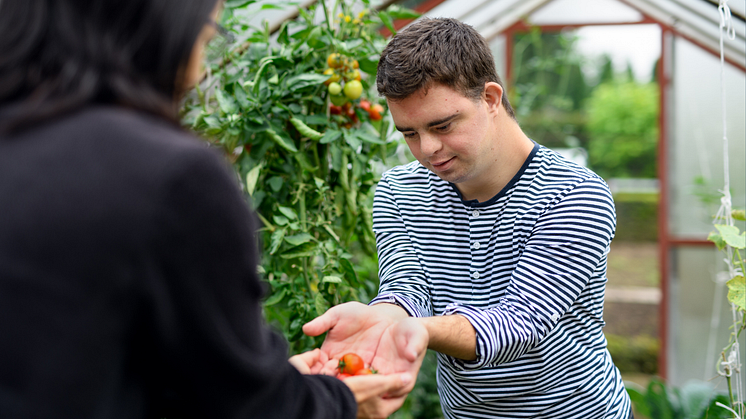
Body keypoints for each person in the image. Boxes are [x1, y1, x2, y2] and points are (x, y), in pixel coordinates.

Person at [0, 1, 419, 418]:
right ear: (160, 32)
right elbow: (253, 411)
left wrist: (253, 378)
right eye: (204, 37)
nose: (199, 70)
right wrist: (337, 402)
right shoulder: (170, 177)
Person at [304, 17, 634, 419]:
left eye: (442, 125)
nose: (427, 149)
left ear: (491, 98)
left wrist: (418, 331)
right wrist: (382, 320)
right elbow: (408, 286)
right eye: (409, 133)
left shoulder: (573, 193)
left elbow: (520, 322)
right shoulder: (399, 191)